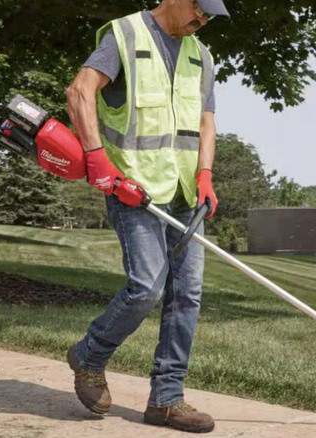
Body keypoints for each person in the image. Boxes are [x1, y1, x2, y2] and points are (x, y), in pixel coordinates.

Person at [63, 0, 229, 434]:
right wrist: (96, 158)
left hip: (186, 194)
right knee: (146, 287)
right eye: (200, 10)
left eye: (211, 15)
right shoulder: (124, 35)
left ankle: (167, 401)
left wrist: (206, 174)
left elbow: (206, 121)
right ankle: (89, 356)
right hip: (133, 186)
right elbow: (80, 92)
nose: (203, 21)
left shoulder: (200, 53)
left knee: (186, 296)